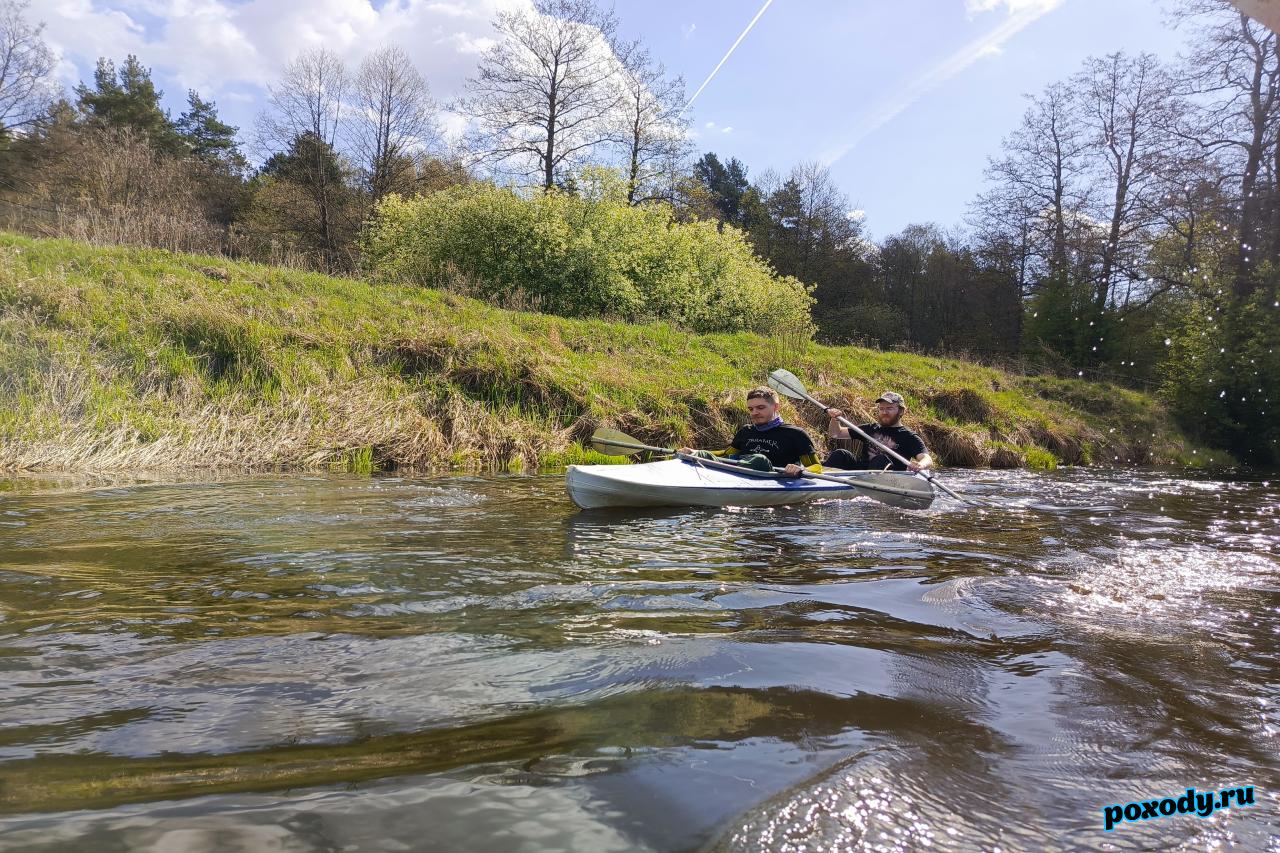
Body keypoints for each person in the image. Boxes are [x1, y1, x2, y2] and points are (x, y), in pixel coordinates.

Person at [679, 387, 822, 473]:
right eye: (751, 409)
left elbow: (817, 467)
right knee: (703, 454)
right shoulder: (746, 431)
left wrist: (801, 469)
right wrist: (695, 452)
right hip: (739, 472)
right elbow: (725, 454)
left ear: (776, 407)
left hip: (771, 477)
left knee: (759, 459)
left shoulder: (795, 434)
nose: (754, 413)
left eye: (760, 408)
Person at [824, 391, 934, 473]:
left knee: (880, 460)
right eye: (881, 409)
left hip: (889, 477)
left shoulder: (909, 436)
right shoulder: (870, 428)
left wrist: (920, 465)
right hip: (863, 472)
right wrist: (835, 419)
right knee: (841, 454)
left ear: (901, 411)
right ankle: (820, 482)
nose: (884, 412)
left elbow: (927, 459)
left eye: (889, 408)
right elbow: (836, 434)